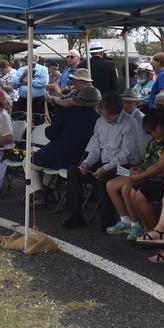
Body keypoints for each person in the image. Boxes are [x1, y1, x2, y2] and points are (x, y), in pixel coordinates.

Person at [61, 92, 142, 230]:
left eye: (109, 115)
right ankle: (76, 216)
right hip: (104, 161)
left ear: (117, 112)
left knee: (104, 178)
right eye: (103, 113)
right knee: (74, 171)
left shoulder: (130, 123)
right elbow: (96, 148)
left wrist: (105, 168)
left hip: (125, 165)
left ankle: (107, 220)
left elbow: (125, 155)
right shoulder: (100, 122)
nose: (105, 117)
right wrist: (87, 163)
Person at [112, 110, 164, 246]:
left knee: (140, 194)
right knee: (133, 191)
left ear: (161, 127)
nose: (150, 134)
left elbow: (161, 166)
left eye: (151, 130)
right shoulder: (163, 138)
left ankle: (157, 233)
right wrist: (143, 170)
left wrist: (140, 176)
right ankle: (149, 230)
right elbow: (156, 165)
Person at [30, 86, 100, 206]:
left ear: (79, 100)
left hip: (59, 156)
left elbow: (50, 133)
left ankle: (38, 193)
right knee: (48, 162)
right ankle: (48, 190)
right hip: (81, 159)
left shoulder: (68, 112)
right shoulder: (98, 118)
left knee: (28, 162)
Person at [121, 88, 151, 154]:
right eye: (125, 102)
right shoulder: (121, 116)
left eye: (130, 102)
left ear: (136, 103)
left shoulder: (142, 119)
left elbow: (144, 142)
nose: (126, 104)